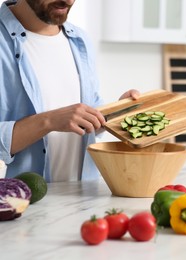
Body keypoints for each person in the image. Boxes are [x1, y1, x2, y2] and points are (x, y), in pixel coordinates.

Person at [0, 0, 140, 182]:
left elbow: (88, 122)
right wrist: (48, 121)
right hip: (21, 203)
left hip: (84, 199)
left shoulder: (80, 40)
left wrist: (115, 113)